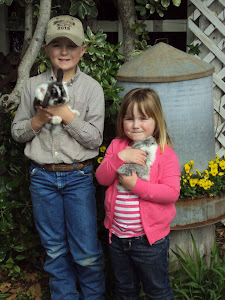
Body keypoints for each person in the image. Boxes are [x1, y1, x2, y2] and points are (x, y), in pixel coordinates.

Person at [11, 15, 105, 300]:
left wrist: (66, 115)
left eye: (71, 45)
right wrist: (38, 119)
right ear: (46, 49)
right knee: (54, 251)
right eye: (56, 45)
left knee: (87, 252)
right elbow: (17, 132)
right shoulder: (31, 86)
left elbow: (95, 139)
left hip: (78, 178)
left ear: (83, 50)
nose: (64, 52)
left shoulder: (92, 89)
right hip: (42, 178)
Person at [95, 88, 180, 300]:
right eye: (129, 118)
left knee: (157, 290)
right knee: (125, 290)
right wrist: (120, 157)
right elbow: (102, 178)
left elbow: (171, 193)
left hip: (149, 241)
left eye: (143, 118)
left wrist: (136, 186)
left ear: (156, 120)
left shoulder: (164, 152)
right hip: (117, 236)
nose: (135, 125)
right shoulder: (117, 146)